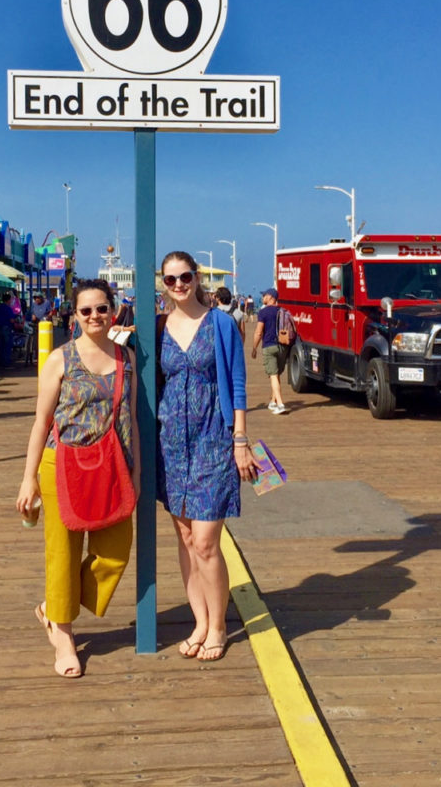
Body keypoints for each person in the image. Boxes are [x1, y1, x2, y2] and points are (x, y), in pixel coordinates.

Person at [16, 278, 140, 679]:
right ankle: (63, 633)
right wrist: (28, 478)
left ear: (114, 309)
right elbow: (41, 421)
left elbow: (132, 418)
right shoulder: (60, 359)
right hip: (61, 464)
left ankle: (55, 605)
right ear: (75, 315)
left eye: (101, 308)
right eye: (86, 311)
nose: (94, 317)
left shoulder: (126, 359)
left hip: (112, 466)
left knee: (116, 551)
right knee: (62, 552)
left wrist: (135, 470)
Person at [157, 251, 256, 663]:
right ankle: (199, 622)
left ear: (197, 278)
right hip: (170, 444)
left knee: (206, 541)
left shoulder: (220, 323)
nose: (178, 284)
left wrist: (240, 438)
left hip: (213, 439)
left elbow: (237, 380)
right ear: (162, 283)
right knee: (183, 538)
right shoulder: (158, 326)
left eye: (185, 277)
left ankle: (219, 626)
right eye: (170, 279)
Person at [251, 287, 288, 414]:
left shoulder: (264, 312)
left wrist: (254, 348)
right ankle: (273, 401)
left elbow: (258, 332)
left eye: (264, 295)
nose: (262, 297)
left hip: (269, 346)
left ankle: (280, 404)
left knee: (272, 375)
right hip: (283, 346)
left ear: (271, 297)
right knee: (276, 374)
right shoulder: (282, 311)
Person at [0, 292, 15, 367]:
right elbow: (12, 320)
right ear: (8, 300)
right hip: (6, 328)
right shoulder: (8, 308)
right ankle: (6, 363)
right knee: (7, 345)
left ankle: (1, 362)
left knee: (1, 345)